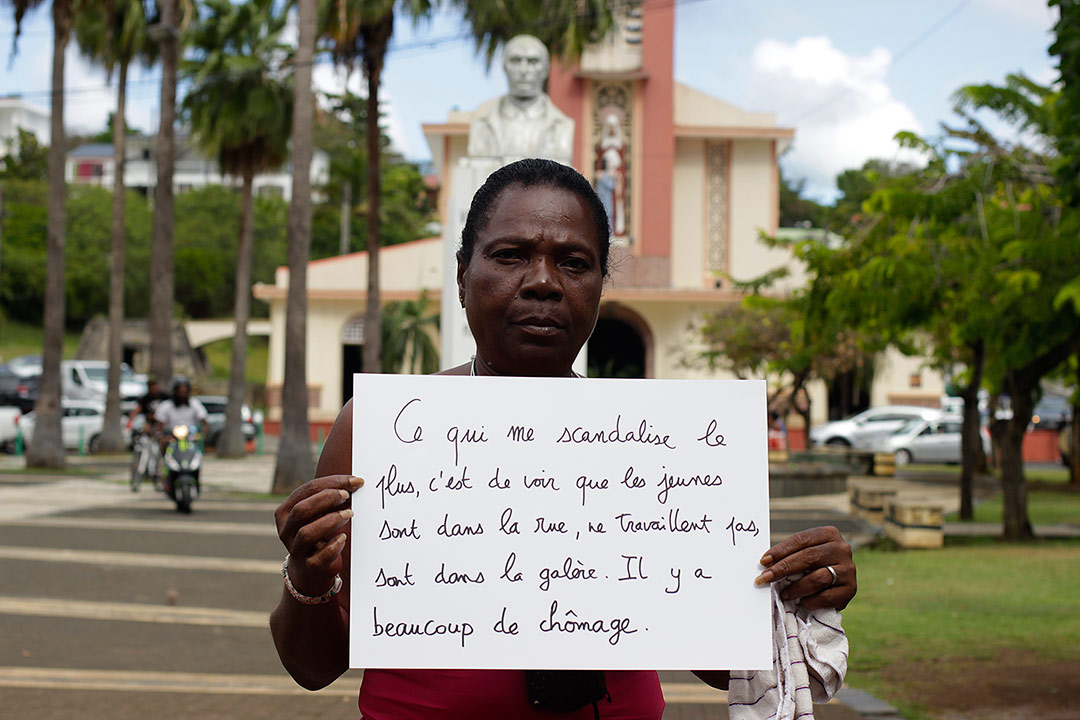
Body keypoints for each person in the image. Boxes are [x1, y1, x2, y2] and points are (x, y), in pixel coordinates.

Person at [271, 159, 857, 718]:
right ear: (462, 277)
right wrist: (309, 575)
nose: (544, 283)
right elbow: (311, 668)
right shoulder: (381, 430)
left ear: (601, 286)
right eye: (510, 255)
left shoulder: (658, 448)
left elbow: (718, 662)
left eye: (574, 263)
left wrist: (801, 593)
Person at [466, 34, 575, 165]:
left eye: (533, 61)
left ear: (546, 69)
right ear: (504, 67)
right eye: (516, 61)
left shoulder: (562, 125)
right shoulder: (481, 123)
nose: (524, 70)